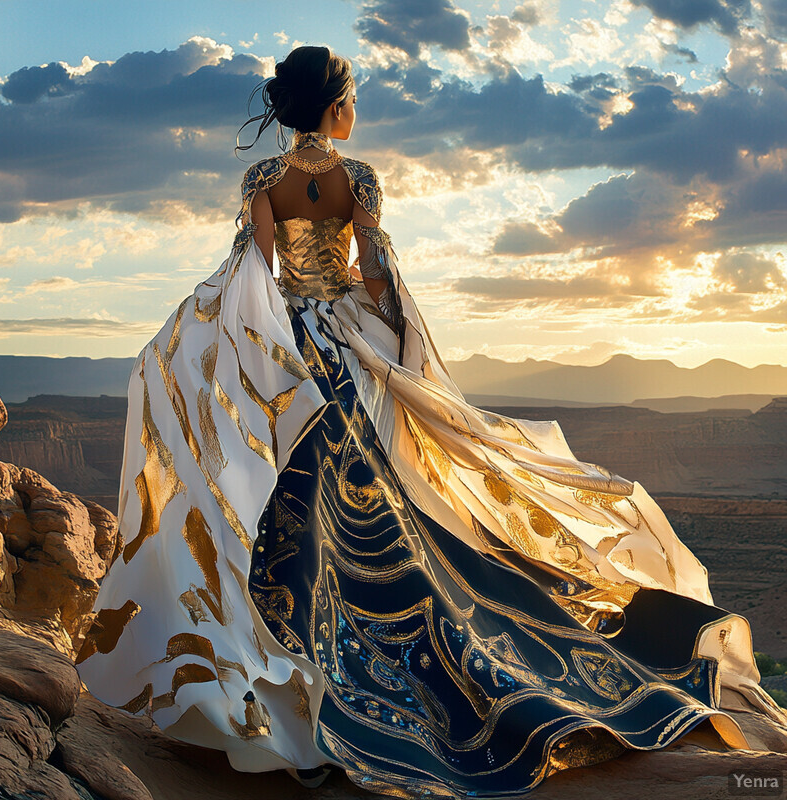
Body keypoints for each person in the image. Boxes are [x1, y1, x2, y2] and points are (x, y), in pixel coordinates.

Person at [74, 45, 787, 798]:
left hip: (297, 355)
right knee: (381, 502)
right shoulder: (357, 179)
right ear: (336, 107)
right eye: (353, 100)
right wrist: (397, 348)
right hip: (351, 346)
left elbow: (251, 279)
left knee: (300, 507)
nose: (356, 113)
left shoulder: (263, 180)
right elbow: (378, 273)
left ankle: (300, 670)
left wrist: (226, 353)